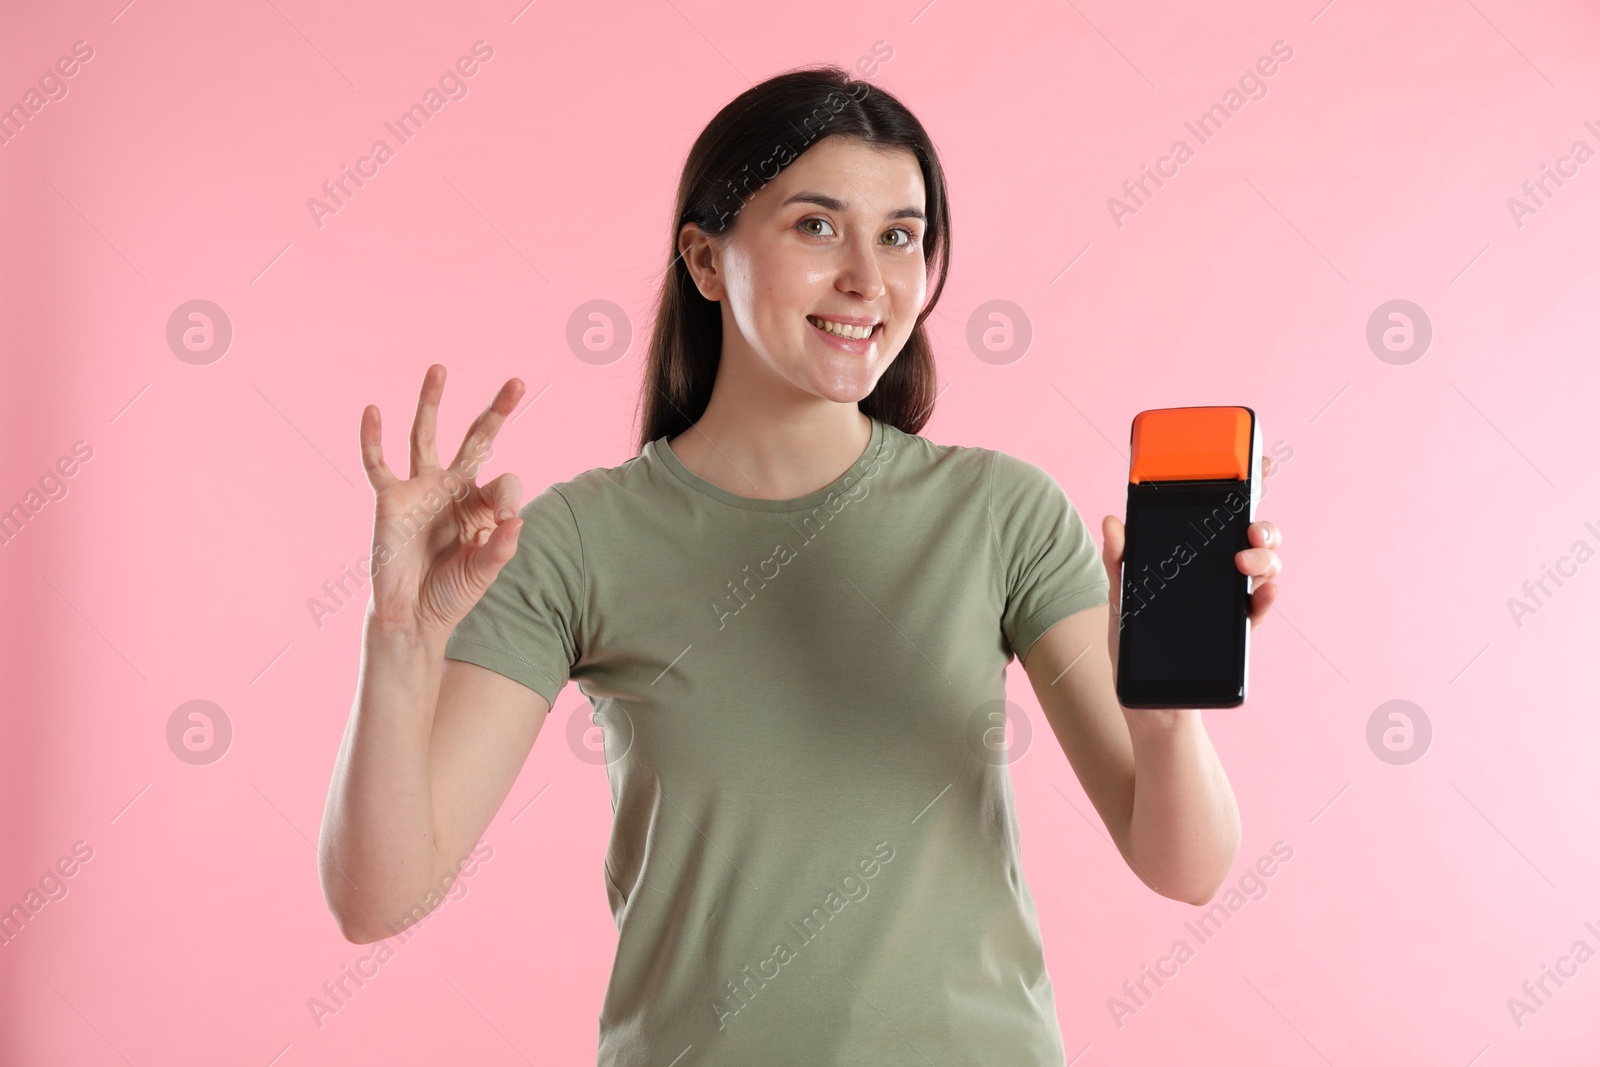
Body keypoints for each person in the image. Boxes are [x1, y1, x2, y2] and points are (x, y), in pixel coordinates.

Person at [318, 65, 1284, 1065]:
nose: (868, 279)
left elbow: (1185, 866)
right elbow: (377, 897)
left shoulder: (998, 511)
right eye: (816, 226)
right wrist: (402, 633)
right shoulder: (571, 538)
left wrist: (1162, 707)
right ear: (704, 257)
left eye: (900, 235)